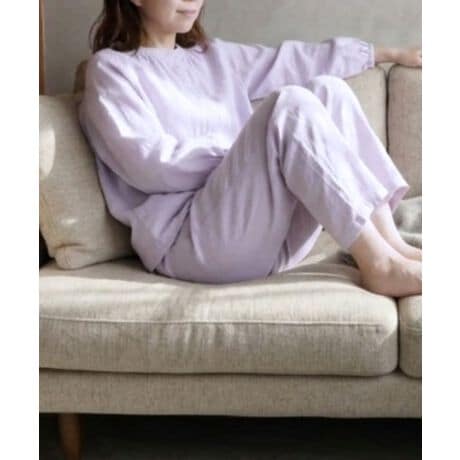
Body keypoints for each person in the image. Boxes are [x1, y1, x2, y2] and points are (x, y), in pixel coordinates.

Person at [78, 0, 422, 297]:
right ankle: (377, 263)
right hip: (191, 245)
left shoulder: (212, 57)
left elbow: (294, 61)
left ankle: (391, 245)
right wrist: (244, 155)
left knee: (329, 90)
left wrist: (386, 54)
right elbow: (149, 166)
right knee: (290, 105)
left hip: (263, 240)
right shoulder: (111, 70)